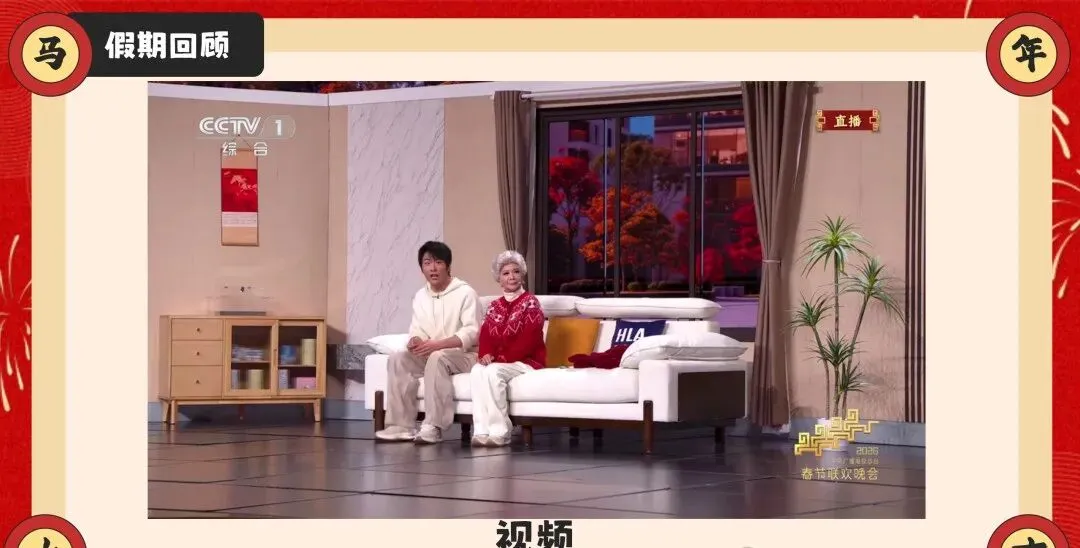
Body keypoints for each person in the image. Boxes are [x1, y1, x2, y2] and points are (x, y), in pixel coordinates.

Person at [375, 241, 481, 444]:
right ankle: (400, 426)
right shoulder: (420, 296)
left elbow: (472, 332)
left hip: (465, 354)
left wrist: (438, 345)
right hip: (433, 353)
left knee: (437, 357)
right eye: (427, 263)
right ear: (421, 268)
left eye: (438, 262)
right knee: (399, 359)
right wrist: (415, 340)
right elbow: (417, 329)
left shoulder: (466, 293)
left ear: (448, 266)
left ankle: (434, 425)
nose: (433, 268)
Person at [470, 250, 547, 447]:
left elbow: (530, 339)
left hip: (527, 361)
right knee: (478, 370)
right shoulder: (494, 306)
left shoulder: (531, 302)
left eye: (516, 271)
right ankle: (481, 431)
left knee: (493, 371)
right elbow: (486, 335)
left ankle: (500, 431)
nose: (511, 276)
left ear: (522, 275)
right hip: (502, 361)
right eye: (506, 273)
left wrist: (501, 358)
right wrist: (485, 355)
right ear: (499, 279)